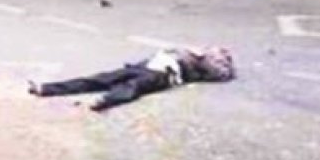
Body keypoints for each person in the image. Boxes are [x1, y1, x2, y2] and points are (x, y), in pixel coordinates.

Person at [28, 47, 235, 111]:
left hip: (162, 74)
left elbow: (222, 74)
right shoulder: (188, 53)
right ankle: (45, 89)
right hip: (144, 66)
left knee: (133, 87)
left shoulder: (204, 64)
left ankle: (104, 101)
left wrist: (206, 58)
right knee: (98, 79)